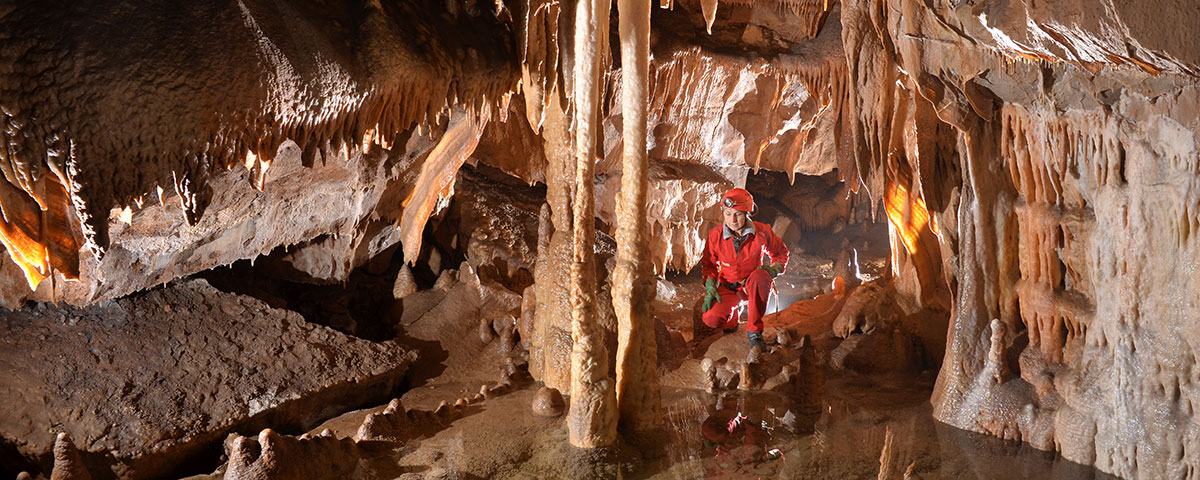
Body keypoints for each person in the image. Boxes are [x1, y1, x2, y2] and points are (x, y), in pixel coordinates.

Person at [700, 188, 789, 351]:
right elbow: (709, 265)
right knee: (711, 318)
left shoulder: (762, 231)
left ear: (747, 213)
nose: (732, 219)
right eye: (728, 213)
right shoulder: (715, 235)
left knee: (761, 277)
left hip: (752, 285)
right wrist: (710, 284)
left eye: (738, 214)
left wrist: (773, 270)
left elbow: (781, 253)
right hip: (729, 287)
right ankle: (732, 320)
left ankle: (754, 332)